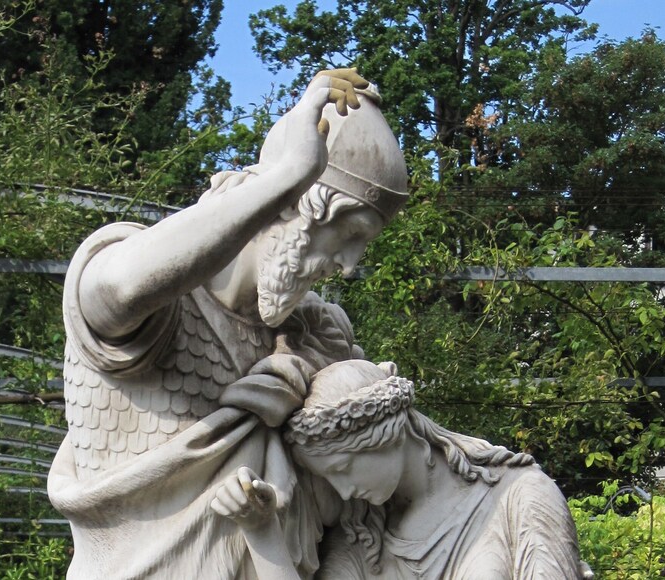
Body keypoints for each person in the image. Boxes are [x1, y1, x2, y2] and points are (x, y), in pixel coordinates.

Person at [47, 69, 410, 579]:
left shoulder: (313, 334)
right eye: (350, 232)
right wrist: (290, 172)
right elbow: (118, 290)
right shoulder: (159, 305)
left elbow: (393, 470)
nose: (349, 264)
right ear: (292, 205)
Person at [213, 359, 590, 579]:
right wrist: (261, 529)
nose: (343, 492)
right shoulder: (362, 536)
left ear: (385, 434)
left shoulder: (521, 497)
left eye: (344, 468)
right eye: (330, 479)